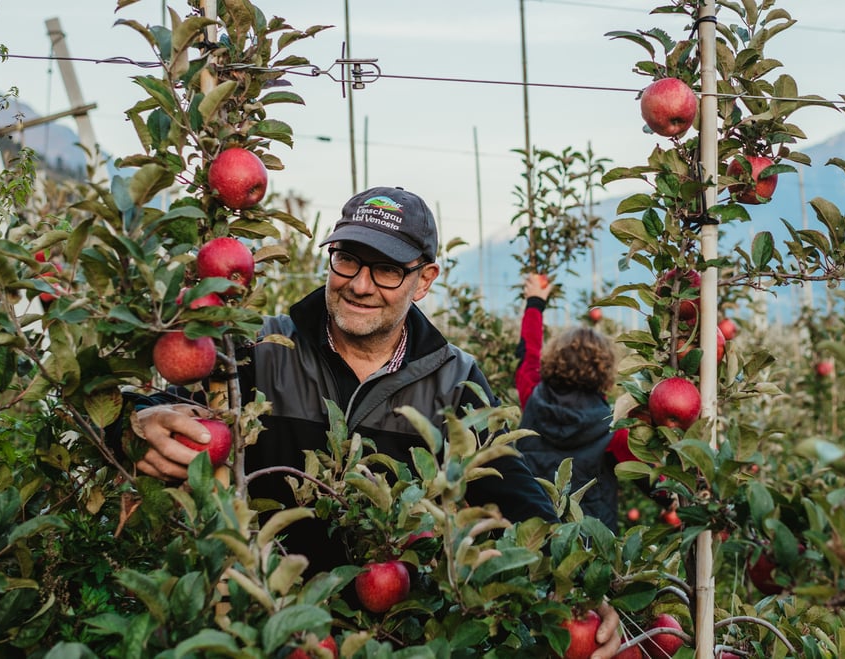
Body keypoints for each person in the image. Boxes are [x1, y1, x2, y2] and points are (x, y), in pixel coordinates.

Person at [119, 187, 622, 657]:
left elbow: (513, 492)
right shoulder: (257, 347)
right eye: (348, 260)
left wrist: (577, 580)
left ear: (424, 280)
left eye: (387, 270)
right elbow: (163, 405)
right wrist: (136, 423)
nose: (360, 284)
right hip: (255, 628)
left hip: (394, 637)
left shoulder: (455, 379)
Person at [514, 273, 632, 533]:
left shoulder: (533, 395)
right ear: (605, 370)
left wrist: (535, 301)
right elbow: (652, 480)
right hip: (589, 547)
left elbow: (528, 351)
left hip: (532, 537)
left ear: (554, 357)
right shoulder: (614, 430)